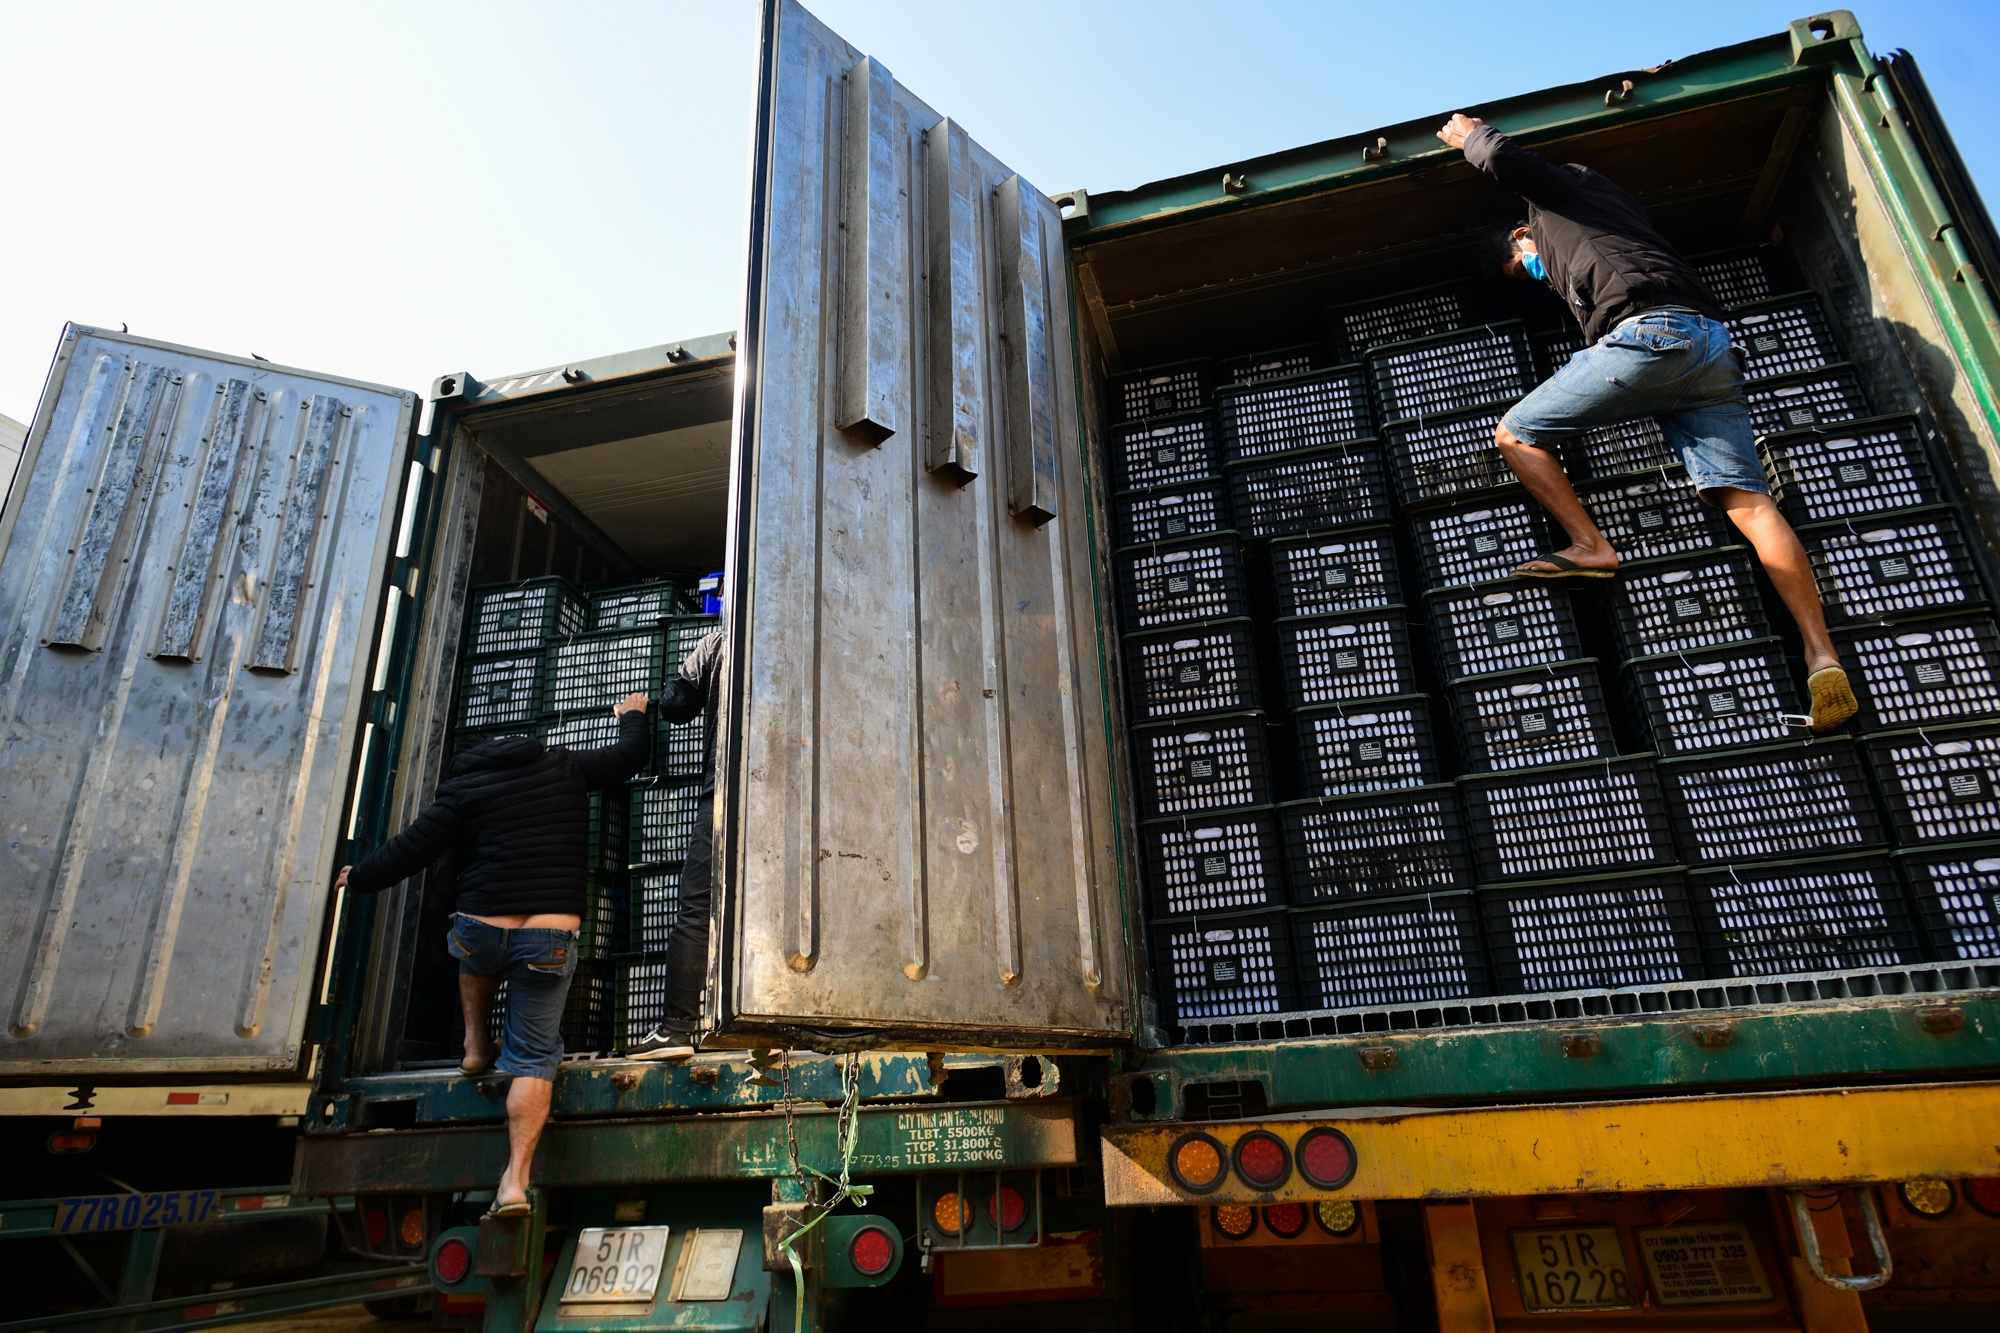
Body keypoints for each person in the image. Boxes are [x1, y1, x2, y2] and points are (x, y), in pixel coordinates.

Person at [1437, 112, 1857, 732]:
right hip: (1709, 349)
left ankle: (1592, 547)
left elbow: (1508, 164)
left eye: (1523, 265)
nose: (1535, 274)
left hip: (1652, 334)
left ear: (1524, 235)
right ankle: (1822, 655)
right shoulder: (1613, 223)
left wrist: (1469, 135)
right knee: (1751, 504)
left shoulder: (1559, 200)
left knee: (1516, 433)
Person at [334, 691, 651, 1215]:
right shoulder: (564, 767)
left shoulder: (463, 787)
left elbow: (413, 847)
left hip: (482, 927)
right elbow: (629, 759)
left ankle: (475, 1045)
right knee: (532, 1058)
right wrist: (633, 713)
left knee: (474, 953)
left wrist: (360, 875)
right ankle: (514, 1184)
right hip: (548, 938)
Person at [623, 623, 724, 1059]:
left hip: (728, 792)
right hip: (799, 802)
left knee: (698, 907)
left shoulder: (720, 639)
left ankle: (678, 1028)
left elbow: (676, 705)